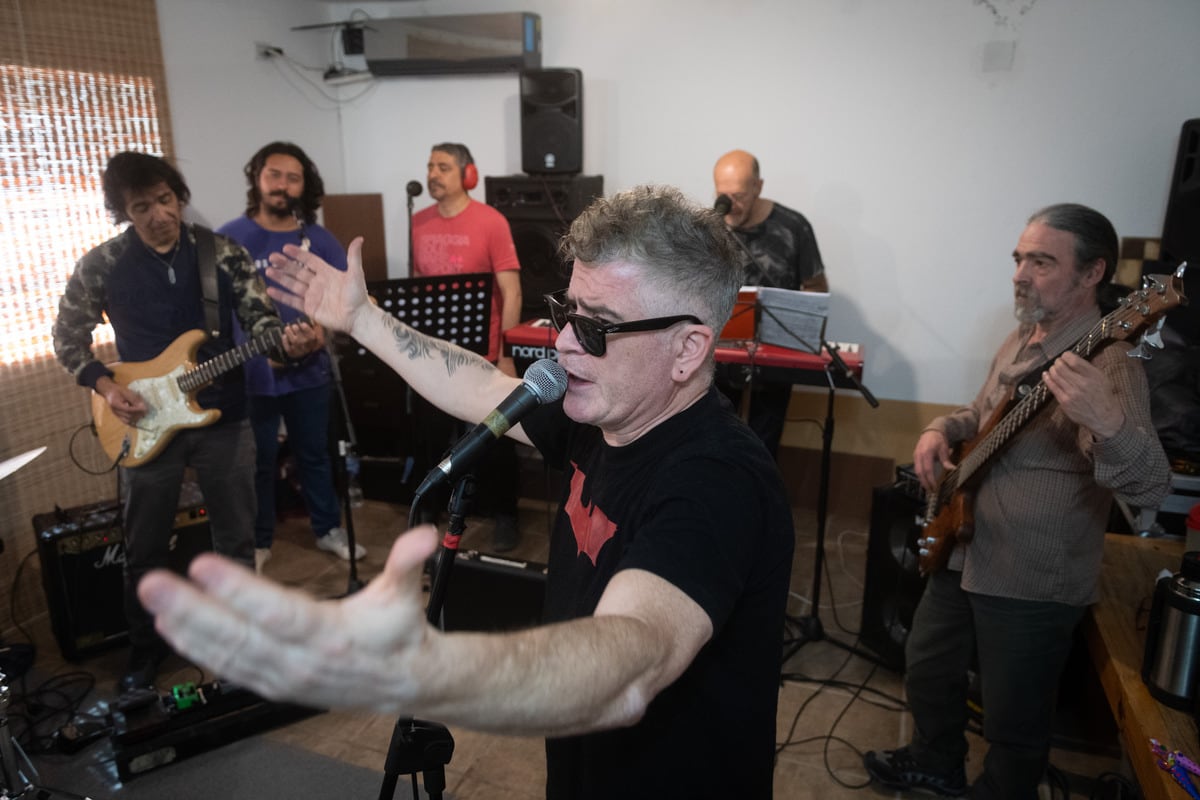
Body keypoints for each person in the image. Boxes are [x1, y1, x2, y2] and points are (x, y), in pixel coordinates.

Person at [139, 185, 796, 799]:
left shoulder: (718, 479)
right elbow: (479, 384)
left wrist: (420, 670)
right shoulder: (604, 409)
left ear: (687, 350)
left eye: (597, 327)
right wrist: (362, 321)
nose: (563, 345)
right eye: (565, 313)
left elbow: (632, 659)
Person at [862, 204, 1171, 799]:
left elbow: (1151, 484)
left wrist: (1108, 423)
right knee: (927, 665)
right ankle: (937, 762)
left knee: (1014, 718)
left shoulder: (1111, 361)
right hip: (966, 545)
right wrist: (938, 430)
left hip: (1032, 576)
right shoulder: (1022, 335)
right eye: (1019, 258)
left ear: (1092, 273)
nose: (1021, 273)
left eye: (1042, 261)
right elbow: (980, 416)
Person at [52, 151, 314, 694]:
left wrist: (290, 345)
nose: (157, 215)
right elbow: (66, 337)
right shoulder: (101, 264)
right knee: (144, 547)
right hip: (142, 424)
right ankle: (145, 652)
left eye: (165, 200)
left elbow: (262, 323)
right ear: (124, 211)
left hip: (225, 418)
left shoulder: (222, 253)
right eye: (141, 206)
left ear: (179, 195)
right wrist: (106, 386)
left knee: (236, 541)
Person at [218, 141, 365, 573]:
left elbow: (348, 301)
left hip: (311, 372)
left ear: (305, 186)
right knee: (258, 460)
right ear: (258, 179)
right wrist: (265, 353)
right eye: (274, 174)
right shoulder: (229, 238)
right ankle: (259, 540)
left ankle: (327, 529)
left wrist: (318, 337)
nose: (282, 185)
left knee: (315, 454)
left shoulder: (318, 240)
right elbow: (218, 313)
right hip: (253, 376)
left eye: (293, 177)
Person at [412, 142, 524, 551]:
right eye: (430, 166)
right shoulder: (418, 222)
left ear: (468, 175)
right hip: (431, 356)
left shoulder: (491, 222)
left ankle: (505, 513)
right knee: (431, 434)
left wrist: (506, 354)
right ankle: (429, 510)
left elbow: (511, 292)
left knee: (494, 438)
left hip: (482, 355)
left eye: (443, 166)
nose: (433, 174)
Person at [712, 149, 828, 459]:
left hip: (774, 356)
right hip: (719, 353)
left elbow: (816, 288)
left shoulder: (793, 227)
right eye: (723, 195)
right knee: (714, 434)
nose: (730, 205)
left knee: (764, 442)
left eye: (738, 196)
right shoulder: (711, 226)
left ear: (758, 187)